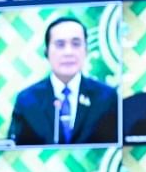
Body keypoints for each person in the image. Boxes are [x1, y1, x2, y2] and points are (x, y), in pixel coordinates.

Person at [7, 16, 119, 146]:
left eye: (76, 44)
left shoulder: (106, 97)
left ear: (86, 50)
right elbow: (15, 150)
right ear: (46, 52)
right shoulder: (28, 99)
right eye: (60, 45)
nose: (68, 52)